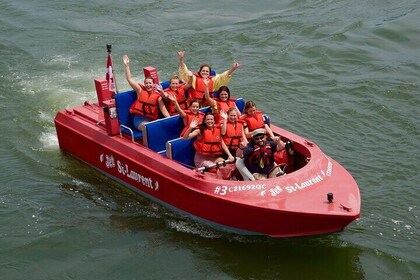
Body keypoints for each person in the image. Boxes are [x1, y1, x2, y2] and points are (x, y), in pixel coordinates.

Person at [123, 55, 170, 129]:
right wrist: (127, 65)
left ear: (153, 84)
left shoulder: (158, 96)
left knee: (157, 126)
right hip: (139, 120)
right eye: (146, 83)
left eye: (150, 83)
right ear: (144, 84)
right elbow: (129, 79)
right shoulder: (140, 91)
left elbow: (164, 111)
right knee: (148, 127)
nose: (148, 85)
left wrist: (170, 120)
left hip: (151, 119)